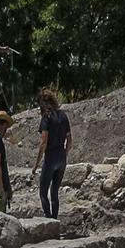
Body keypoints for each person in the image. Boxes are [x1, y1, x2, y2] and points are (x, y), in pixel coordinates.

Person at [30, 89, 71, 219]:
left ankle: (49, 221)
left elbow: (43, 143)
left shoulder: (46, 118)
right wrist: (64, 154)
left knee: (43, 192)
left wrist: (36, 165)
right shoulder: (64, 116)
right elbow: (69, 140)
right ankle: (55, 219)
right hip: (61, 157)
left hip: (50, 158)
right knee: (54, 192)